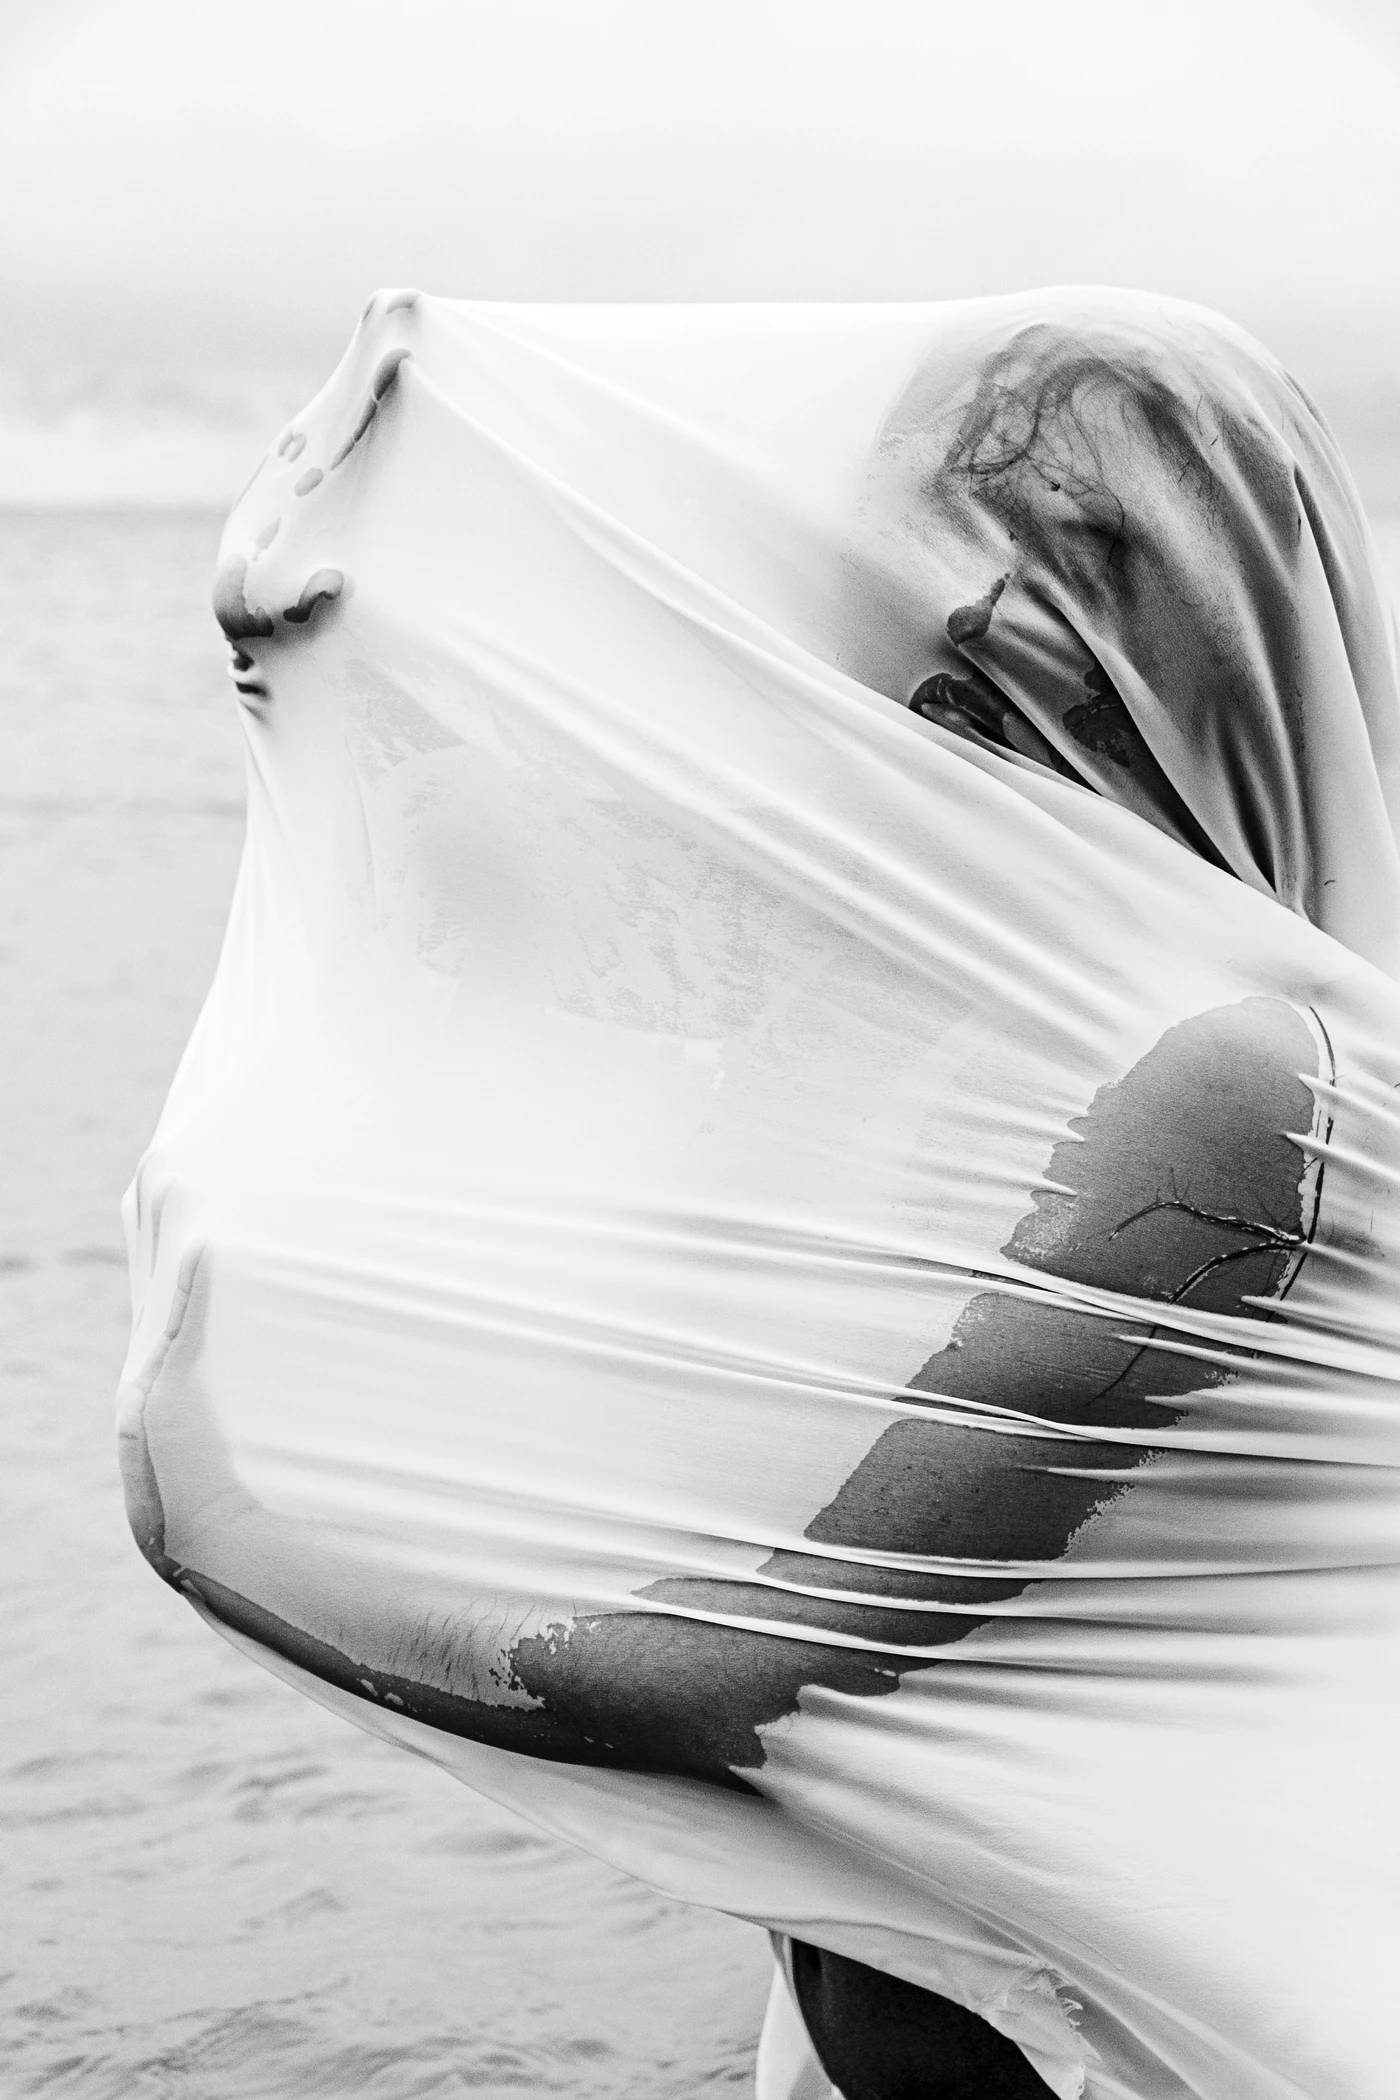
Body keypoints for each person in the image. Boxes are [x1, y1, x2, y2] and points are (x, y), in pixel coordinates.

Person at [121, 287, 1400, 2099]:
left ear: (1248, 604)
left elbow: (728, 1676)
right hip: (898, 2014)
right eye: (948, 528)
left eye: (1079, 543)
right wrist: (313, 608)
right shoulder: (948, 1021)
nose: (971, 599)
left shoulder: (1245, 1078)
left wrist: (211, 1520)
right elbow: (552, 913)